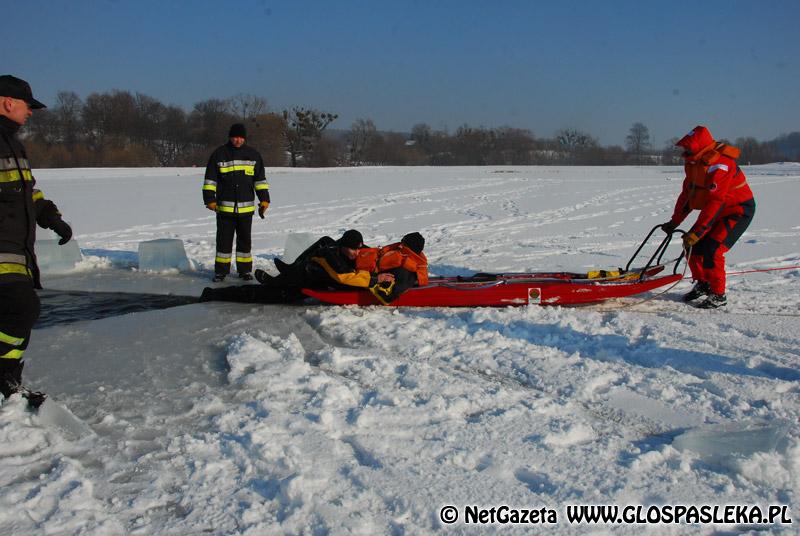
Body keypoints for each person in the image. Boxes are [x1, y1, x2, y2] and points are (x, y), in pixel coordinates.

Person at [0, 75, 73, 407]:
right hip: (4, 246)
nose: (30, 112)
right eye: (27, 106)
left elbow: (27, 192)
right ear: (8, 102)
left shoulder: (14, 145)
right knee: (21, 307)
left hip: (17, 247)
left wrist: (51, 217)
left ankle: (7, 380)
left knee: (19, 310)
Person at [661, 126, 755, 309]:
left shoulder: (721, 165)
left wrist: (698, 231)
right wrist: (674, 222)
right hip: (717, 211)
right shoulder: (694, 164)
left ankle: (718, 294)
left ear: (699, 146)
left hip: (737, 211)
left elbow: (715, 202)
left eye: (688, 148)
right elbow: (688, 196)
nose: (685, 151)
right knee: (691, 245)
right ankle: (704, 284)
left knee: (713, 249)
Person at [203, 123, 270, 282]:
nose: (238, 140)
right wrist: (209, 200)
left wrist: (264, 199)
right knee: (223, 242)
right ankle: (221, 272)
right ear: (230, 137)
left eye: (241, 137)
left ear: (244, 138)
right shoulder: (219, 154)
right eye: (235, 137)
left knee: (244, 243)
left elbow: (260, 181)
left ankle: (245, 271)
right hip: (224, 209)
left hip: (246, 210)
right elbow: (210, 180)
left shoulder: (253, 155)